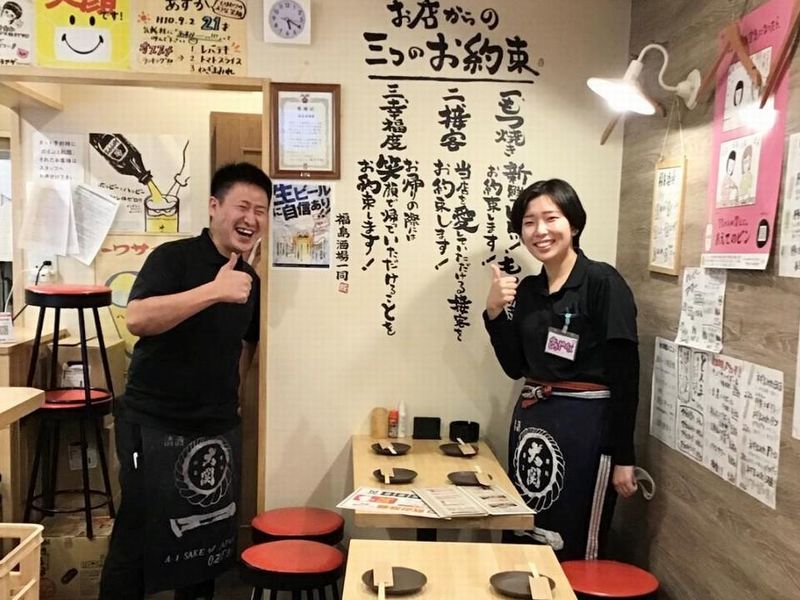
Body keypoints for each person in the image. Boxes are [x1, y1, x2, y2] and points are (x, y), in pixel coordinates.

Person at [99, 162, 272, 600]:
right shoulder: (173, 258)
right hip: (152, 421)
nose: (251, 219)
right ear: (214, 206)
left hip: (214, 427)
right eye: (243, 206)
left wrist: (232, 396)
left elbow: (245, 344)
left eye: (261, 210)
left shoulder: (250, 280)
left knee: (204, 544)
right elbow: (137, 318)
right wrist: (213, 291)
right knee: (137, 536)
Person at [483, 178, 639, 561]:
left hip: (588, 432)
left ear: (574, 224)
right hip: (533, 427)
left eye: (550, 218)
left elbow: (626, 374)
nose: (540, 230)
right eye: (529, 222)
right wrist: (494, 313)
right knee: (526, 529)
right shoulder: (530, 291)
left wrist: (624, 456)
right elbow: (516, 368)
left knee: (574, 538)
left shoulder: (603, 282)